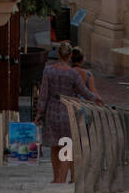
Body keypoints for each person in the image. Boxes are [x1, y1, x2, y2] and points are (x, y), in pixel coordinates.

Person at [35, 41, 97, 183]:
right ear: (70, 56)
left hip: (51, 112)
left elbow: (43, 94)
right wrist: (96, 99)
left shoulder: (48, 71)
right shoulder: (73, 74)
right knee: (66, 146)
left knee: (54, 146)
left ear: (57, 54)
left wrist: (39, 113)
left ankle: (56, 178)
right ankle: (63, 178)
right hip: (68, 113)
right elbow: (84, 91)